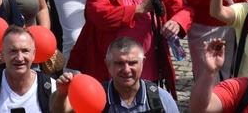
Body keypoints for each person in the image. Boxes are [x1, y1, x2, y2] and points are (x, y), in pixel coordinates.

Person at [52, 37, 180, 112]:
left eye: (132, 63)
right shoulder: (95, 96)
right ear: (108, 64)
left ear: (143, 63)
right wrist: (61, 94)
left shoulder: (160, 99)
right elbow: (58, 111)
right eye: (119, 63)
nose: (126, 69)